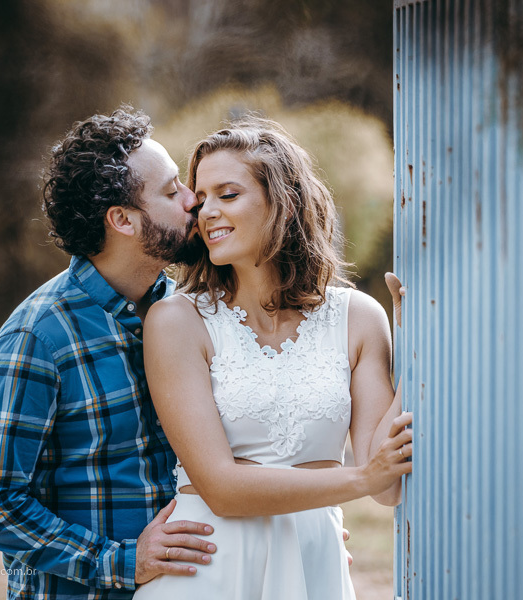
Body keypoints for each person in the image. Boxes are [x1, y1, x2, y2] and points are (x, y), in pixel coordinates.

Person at [134, 117, 413, 599]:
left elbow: (388, 485)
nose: (207, 213)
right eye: (202, 200)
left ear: (282, 200)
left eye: (228, 194)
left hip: (314, 566)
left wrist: (418, 343)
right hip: (209, 568)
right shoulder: (176, 321)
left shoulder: (360, 318)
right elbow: (221, 488)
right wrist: (361, 478)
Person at [0, 107, 220, 599]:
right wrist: (120, 561)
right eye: (170, 191)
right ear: (122, 219)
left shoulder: (190, 314)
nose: (193, 200)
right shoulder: (39, 336)